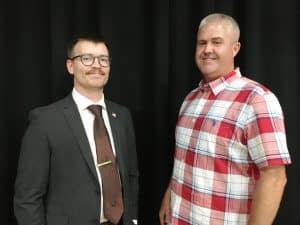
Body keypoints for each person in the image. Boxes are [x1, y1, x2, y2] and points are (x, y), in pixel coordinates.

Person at [159, 13, 291, 225]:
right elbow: (185, 159)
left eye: (216, 42)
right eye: (202, 43)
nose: (207, 49)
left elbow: (274, 178)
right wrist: (170, 195)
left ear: (235, 48)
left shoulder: (257, 100)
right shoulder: (190, 99)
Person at [14, 35, 139, 225]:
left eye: (103, 59)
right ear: (70, 66)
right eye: (87, 58)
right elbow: (27, 198)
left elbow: (131, 177)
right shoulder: (45, 121)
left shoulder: (122, 116)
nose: (97, 65)